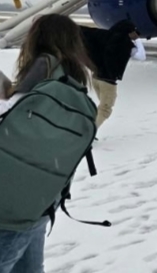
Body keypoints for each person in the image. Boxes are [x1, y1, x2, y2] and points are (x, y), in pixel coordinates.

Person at [0, 14, 93, 273]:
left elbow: (12, 111)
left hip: (11, 203)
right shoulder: (73, 74)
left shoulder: (43, 64)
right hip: (42, 198)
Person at [81, 20, 139, 128]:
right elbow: (141, 55)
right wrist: (137, 41)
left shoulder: (104, 36)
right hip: (108, 81)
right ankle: (89, 131)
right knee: (105, 109)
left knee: (101, 106)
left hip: (96, 77)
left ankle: (88, 124)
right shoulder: (124, 44)